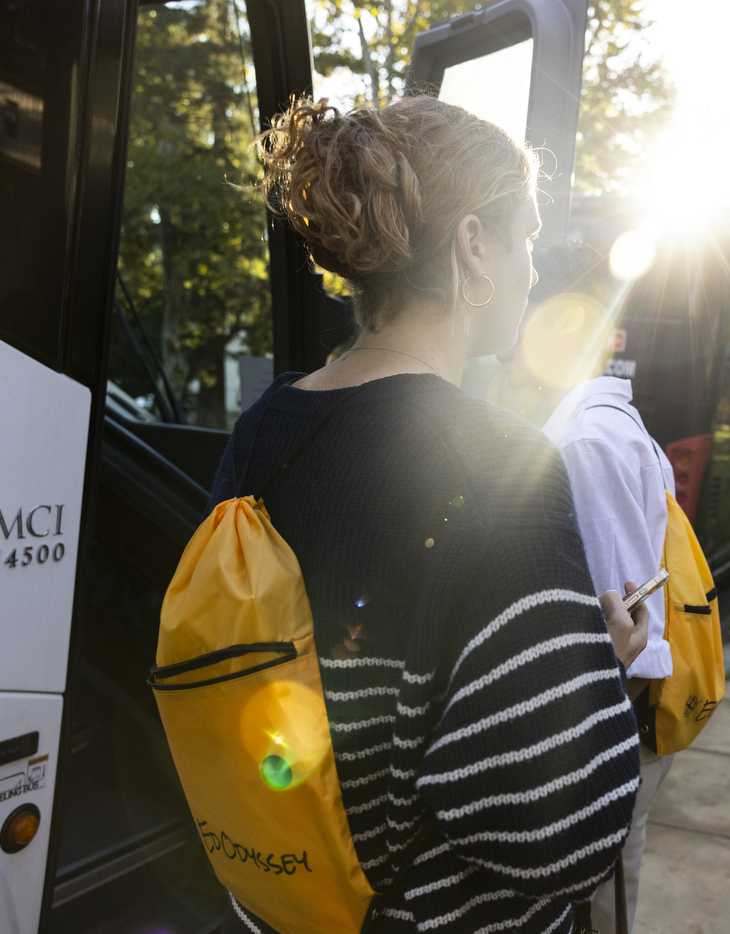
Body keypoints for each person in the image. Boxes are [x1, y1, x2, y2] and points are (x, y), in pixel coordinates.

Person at [210, 95, 646, 934]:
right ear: (474, 245)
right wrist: (602, 668)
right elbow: (553, 836)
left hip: (279, 904)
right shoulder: (495, 464)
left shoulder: (265, 427)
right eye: (524, 238)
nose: (532, 267)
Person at [543, 370, 679, 934]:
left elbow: (623, 627)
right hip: (621, 717)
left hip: (611, 719)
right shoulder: (602, 424)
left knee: (596, 904)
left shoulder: (585, 442)